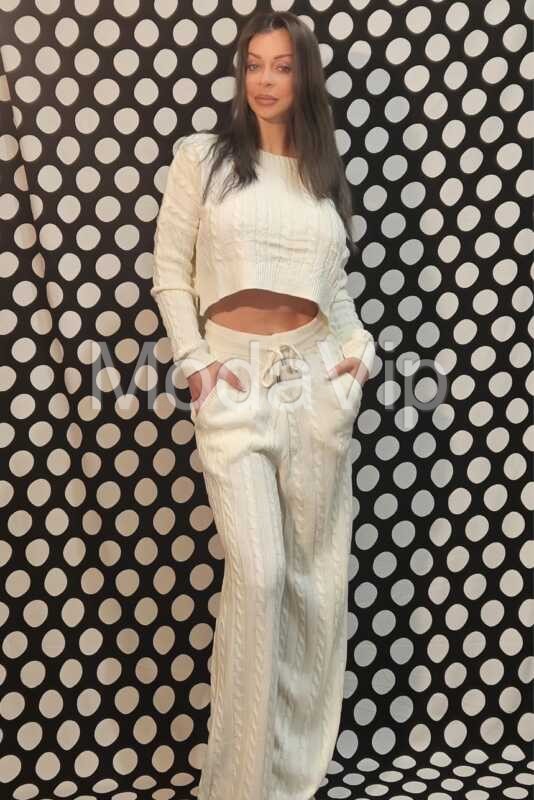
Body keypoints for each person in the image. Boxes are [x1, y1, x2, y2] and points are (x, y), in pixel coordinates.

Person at [150, 10, 376, 800]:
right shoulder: (204, 159)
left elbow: (335, 295)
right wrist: (197, 365)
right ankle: (240, 785)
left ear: (304, 77)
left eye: (283, 66)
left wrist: (358, 358)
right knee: (261, 573)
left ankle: (294, 778)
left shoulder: (319, 177)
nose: (266, 80)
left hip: (314, 384)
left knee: (315, 584)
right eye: (254, 64)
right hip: (234, 382)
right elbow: (170, 271)